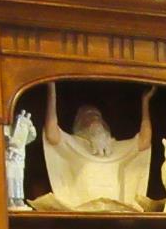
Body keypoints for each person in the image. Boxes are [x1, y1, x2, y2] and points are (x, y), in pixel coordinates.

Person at [42, 81, 155, 210]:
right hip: (84, 214)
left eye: (96, 116)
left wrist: (145, 102)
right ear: (79, 125)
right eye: (87, 117)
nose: (93, 119)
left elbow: (144, 141)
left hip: (115, 215)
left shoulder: (117, 149)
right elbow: (51, 133)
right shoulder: (75, 145)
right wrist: (51, 88)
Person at [3, 109, 36, 208]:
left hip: (19, 162)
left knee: (18, 181)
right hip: (10, 162)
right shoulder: (6, 130)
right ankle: (10, 200)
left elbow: (32, 136)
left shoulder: (23, 133)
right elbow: (11, 142)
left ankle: (18, 199)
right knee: (10, 180)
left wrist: (28, 126)